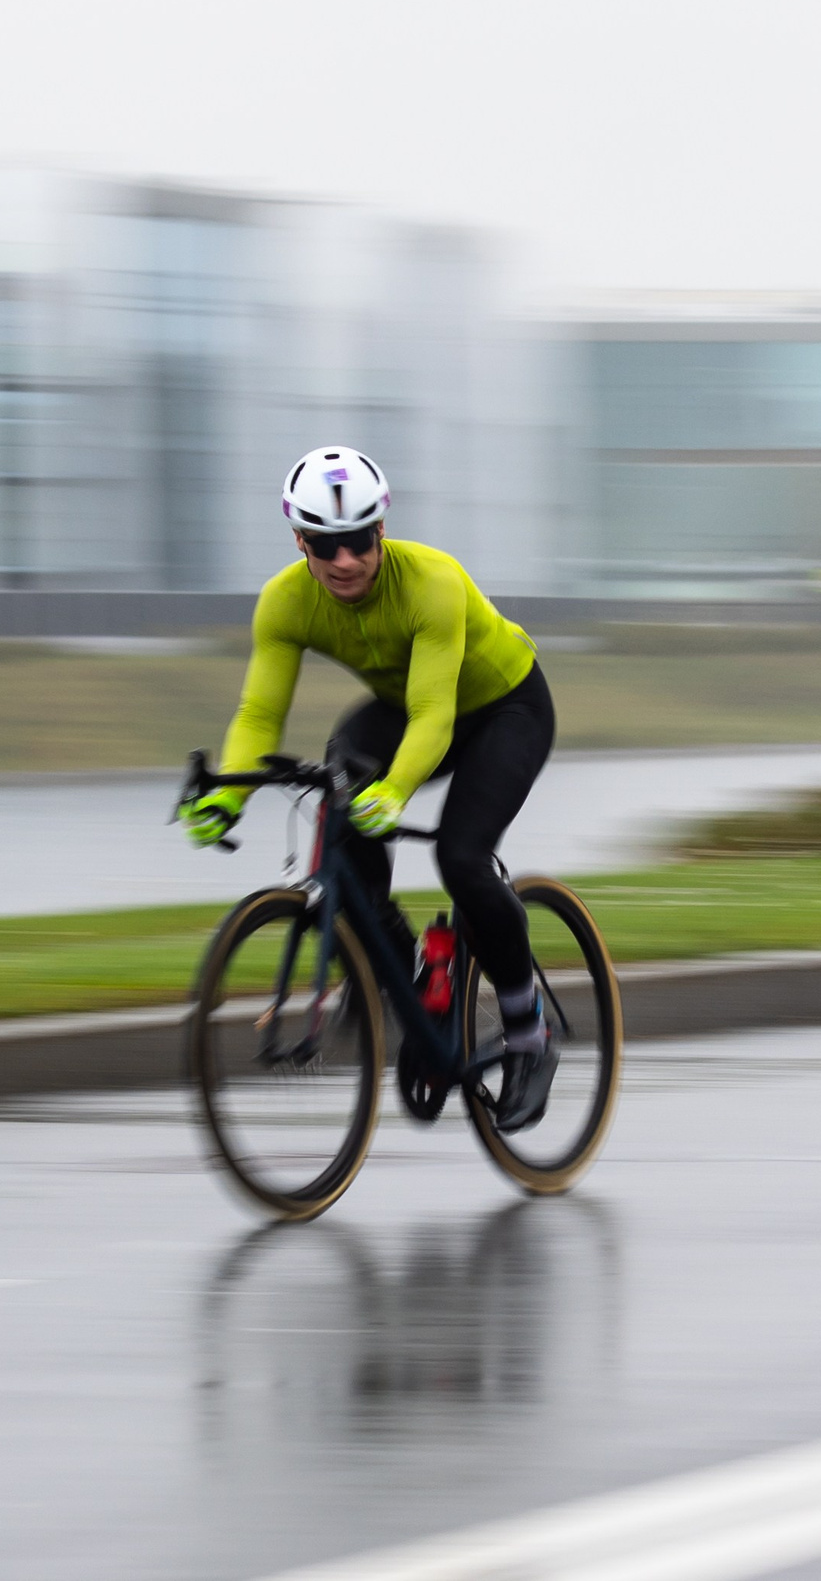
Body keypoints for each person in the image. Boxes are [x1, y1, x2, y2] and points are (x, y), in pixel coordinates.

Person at [176, 447, 559, 1129]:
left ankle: (531, 1032)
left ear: (381, 531)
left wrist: (398, 791)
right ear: (300, 541)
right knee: (339, 775)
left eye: (358, 540)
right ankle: (409, 967)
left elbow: (433, 715)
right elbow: (260, 714)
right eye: (326, 544)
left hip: (505, 707)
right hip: (405, 706)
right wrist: (225, 798)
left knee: (461, 858)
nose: (344, 559)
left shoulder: (432, 581)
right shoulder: (285, 601)